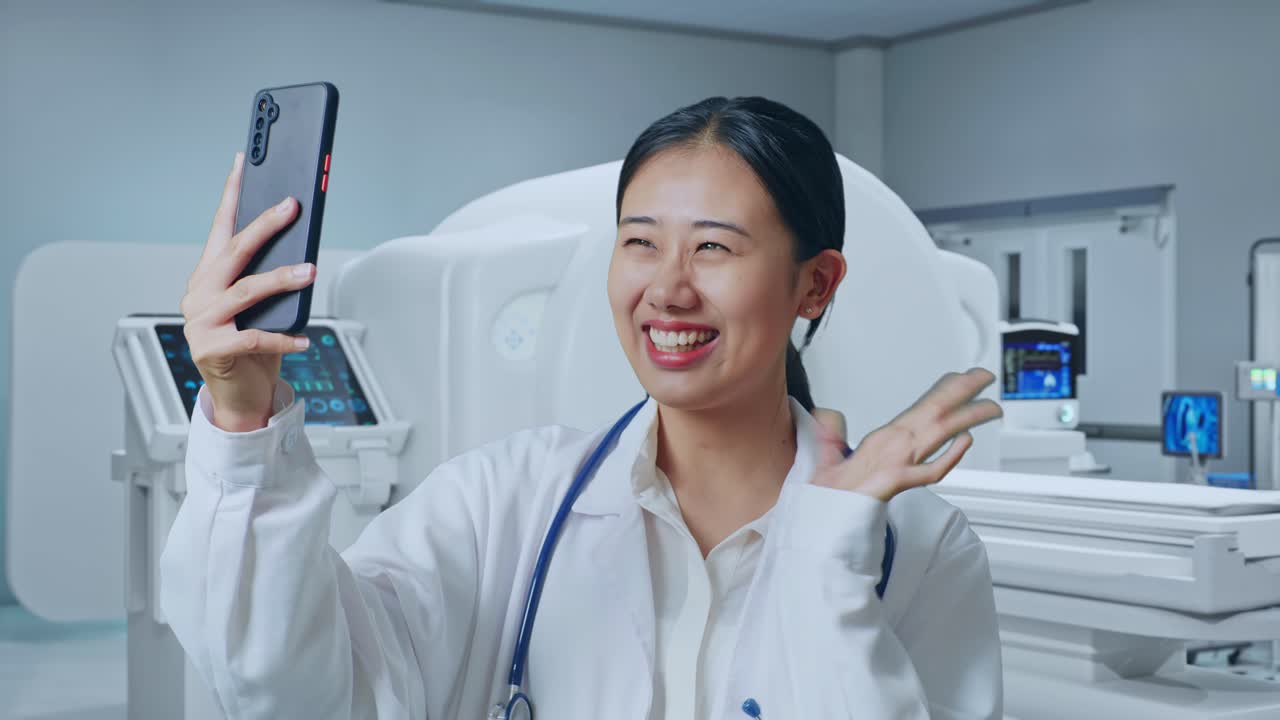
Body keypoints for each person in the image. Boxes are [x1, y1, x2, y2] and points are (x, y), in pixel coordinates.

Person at [163, 96, 1004, 719]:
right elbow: (298, 693)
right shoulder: (503, 503)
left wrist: (826, 562)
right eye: (640, 242)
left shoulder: (921, 552)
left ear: (815, 284)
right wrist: (242, 421)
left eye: (713, 247)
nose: (667, 289)